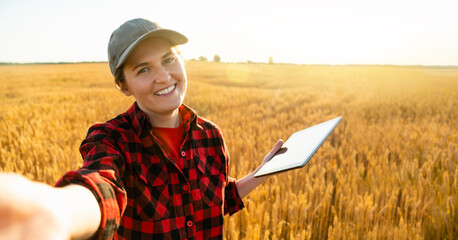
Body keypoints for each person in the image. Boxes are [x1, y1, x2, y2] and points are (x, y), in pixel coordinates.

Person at [0, 18, 283, 240]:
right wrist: (58, 212)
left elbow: (217, 202)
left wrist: (262, 173)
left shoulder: (211, 136)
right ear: (124, 86)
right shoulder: (112, 139)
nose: (163, 76)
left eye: (169, 59)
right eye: (143, 69)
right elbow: (102, 187)